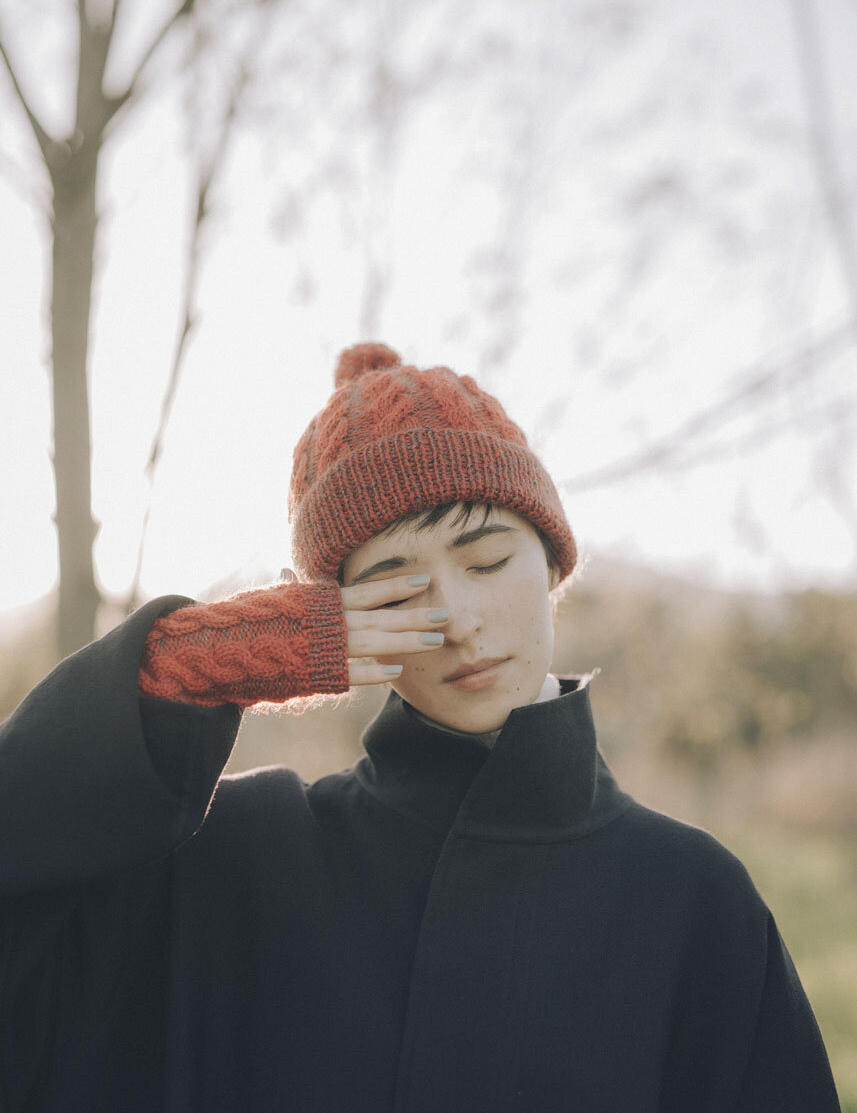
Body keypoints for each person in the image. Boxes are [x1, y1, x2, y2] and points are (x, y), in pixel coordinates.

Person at [0, 342, 840, 1113]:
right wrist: (194, 664)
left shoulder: (693, 896)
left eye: (485, 562)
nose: (459, 619)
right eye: (394, 590)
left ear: (551, 562)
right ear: (330, 617)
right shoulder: (240, 855)